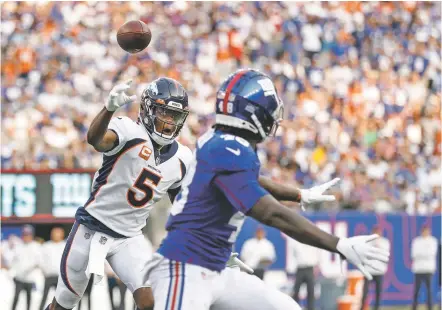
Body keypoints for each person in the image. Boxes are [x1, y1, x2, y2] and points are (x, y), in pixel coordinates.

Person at [145, 68, 390, 310]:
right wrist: (338, 244)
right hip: (184, 267)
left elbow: (253, 181)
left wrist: (298, 194)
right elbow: (270, 213)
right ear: (255, 114)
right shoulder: (228, 150)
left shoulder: (221, 142)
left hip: (217, 268)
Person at [47, 77, 193, 310]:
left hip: (129, 237)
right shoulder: (128, 130)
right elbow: (96, 140)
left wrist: (213, 245)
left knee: (151, 301)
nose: (168, 122)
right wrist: (109, 109)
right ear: (147, 109)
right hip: (91, 227)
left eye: (174, 116)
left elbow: (184, 209)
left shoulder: (183, 158)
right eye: (163, 113)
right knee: (64, 304)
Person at [10, 225, 41, 310]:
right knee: (16, 298)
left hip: (30, 278)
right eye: (24, 234)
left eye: (28, 234)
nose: (26, 236)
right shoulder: (18, 246)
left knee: (29, 299)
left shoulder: (36, 246)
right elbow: (13, 261)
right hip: (19, 278)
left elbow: (38, 262)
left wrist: (29, 269)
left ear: (32, 235)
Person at [360, 225, 390, 310]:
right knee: (365, 293)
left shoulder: (385, 242)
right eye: (375, 232)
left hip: (379, 271)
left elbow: (385, 255)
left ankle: (377, 308)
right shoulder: (367, 242)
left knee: (378, 293)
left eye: (378, 232)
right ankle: (362, 308)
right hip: (368, 270)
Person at [39, 227, 66, 310]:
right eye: (55, 232)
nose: (56, 235)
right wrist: (46, 271)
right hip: (49, 276)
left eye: (58, 232)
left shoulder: (66, 245)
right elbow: (41, 260)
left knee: (63, 299)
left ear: (62, 234)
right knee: (44, 297)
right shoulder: (46, 246)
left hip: (62, 277)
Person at [411, 224, 438, 310]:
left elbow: (432, 253)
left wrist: (422, 253)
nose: (425, 232)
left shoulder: (433, 241)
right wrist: (425, 253)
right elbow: (414, 254)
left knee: (429, 291)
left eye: (427, 231)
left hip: (429, 269)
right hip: (418, 269)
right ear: (421, 231)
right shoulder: (416, 241)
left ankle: (430, 307)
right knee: (416, 291)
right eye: (424, 231)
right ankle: (414, 307)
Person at [292, 240, 320, 310]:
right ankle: (295, 307)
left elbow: (316, 256)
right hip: (300, 268)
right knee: (296, 290)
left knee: (311, 291)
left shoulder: (312, 245)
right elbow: (295, 255)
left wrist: (316, 267)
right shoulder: (297, 244)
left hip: (309, 269)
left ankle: (311, 308)